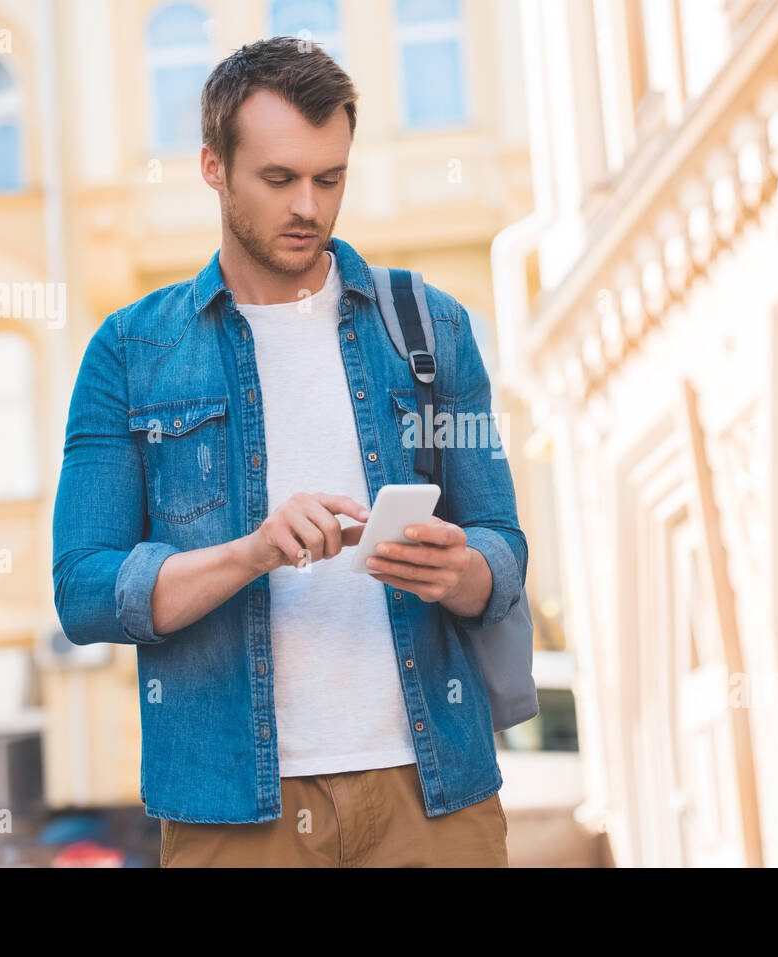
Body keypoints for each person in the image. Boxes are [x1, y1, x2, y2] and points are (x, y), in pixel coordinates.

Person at [51, 36, 527, 867]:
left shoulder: (433, 327)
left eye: (329, 178)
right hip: (233, 813)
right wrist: (253, 551)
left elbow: (503, 543)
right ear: (213, 167)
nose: (308, 205)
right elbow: (84, 588)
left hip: (435, 792)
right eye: (279, 179)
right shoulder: (131, 352)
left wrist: (467, 571)